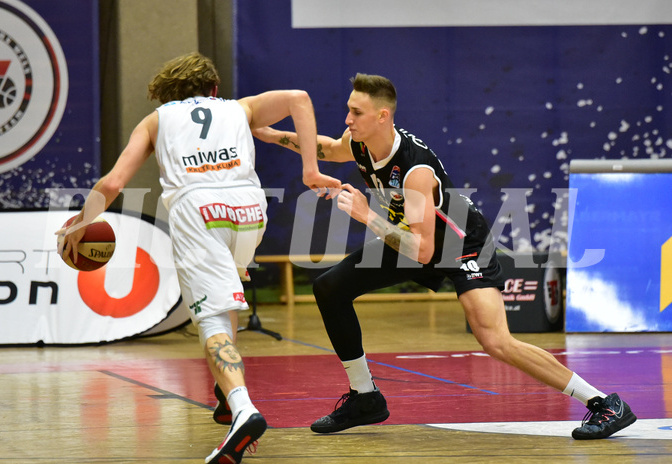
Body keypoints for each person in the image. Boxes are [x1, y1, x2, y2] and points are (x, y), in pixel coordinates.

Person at [253, 73, 636, 440]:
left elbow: (423, 251)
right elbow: (330, 149)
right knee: (330, 287)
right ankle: (365, 397)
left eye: (356, 112)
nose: (347, 119)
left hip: (460, 242)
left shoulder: (415, 170)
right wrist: (273, 135)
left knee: (495, 341)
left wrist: (366, 215)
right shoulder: (359, 142)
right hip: (414, 236)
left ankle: (604, 403)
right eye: (349, 109)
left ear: (382, 116)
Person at [56, 52, 341, 464]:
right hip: (249, 208)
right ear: (214, 89)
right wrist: (310, 169)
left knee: (209, 316)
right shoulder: (239, 108)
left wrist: (81, 223)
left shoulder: (156, 121)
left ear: (167, 94)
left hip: (198, 209)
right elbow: (299, 98)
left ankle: (243, 408)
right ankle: (228, 395)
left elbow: (115, 182)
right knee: (225, 301)